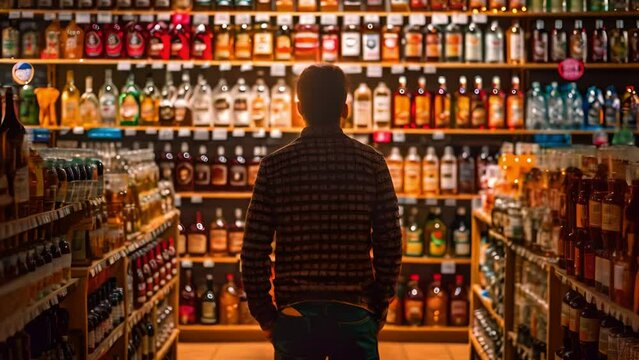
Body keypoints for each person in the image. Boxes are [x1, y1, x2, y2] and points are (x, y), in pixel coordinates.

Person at [241, 64, 402, 360]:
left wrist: (264, 315)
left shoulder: (274, 166)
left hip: (295, 312)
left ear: (299, 108)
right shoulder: (372, 163)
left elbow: (253, 250)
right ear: (346, 108)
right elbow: (390, 243)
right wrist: (379, 305)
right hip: (356, 310)